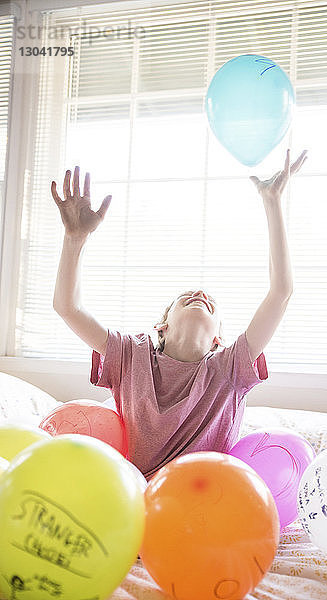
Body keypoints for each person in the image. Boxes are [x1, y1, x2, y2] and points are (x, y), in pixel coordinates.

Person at [51, 148, 308, 482]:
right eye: (185, 296)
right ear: (162, 324)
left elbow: (281, 292)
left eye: (209, 301)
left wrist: (272, 201)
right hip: (133, 497)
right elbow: (67, 307)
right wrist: (75, 238)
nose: (199, 294)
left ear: (218, 339)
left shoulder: (229, 369)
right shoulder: (130, 354)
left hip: (198, 504)